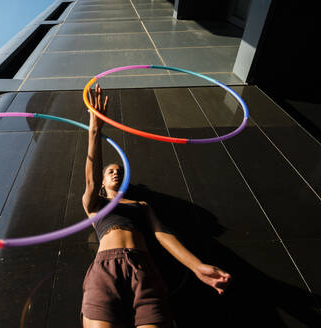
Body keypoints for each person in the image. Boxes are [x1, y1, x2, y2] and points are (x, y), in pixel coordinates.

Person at [81, 84, 232, 328]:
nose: (115, 173)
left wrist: (197, 267)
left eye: (119, 171)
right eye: (110, 171)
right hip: (106, 267)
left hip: (145, 268)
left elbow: (162, 235)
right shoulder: (96, 203)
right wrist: (95, 130)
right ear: (102, 180)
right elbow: (91, 179)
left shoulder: (141, 204)